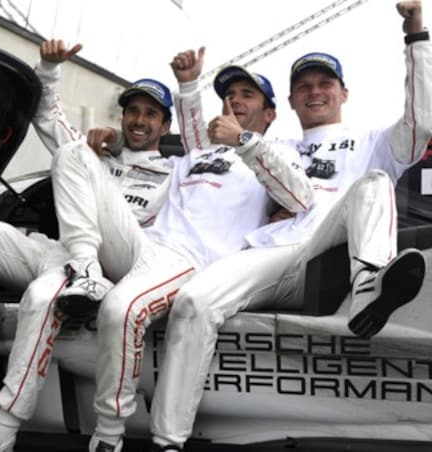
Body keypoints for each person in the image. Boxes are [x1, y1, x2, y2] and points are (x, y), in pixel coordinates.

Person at [149, 2, 432, 451]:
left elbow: (422, 121)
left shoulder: (373, 141)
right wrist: (189, 90)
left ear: (344, 93)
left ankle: (369, 287)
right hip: (271, 256)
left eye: (325, 83)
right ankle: (167, 442)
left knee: (373, 184)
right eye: (303, 86)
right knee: (192, 302)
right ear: (288, 102)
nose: (314, 92)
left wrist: (415, 34)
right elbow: (201, 152)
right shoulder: (270, 142)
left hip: (334, 256)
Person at [0, 40, 180, 451]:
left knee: (40, 297)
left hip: (121, 266)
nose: (139, 120)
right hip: (68, 255)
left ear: (165, 127)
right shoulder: (95, 154)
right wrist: (49, 68)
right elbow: (48, 116)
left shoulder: (178, 171)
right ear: (122, 116)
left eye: (151, 114)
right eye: (133, 111)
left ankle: (3, 430)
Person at [61, 48, 315, 451]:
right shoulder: (193, 155)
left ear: (269, 114)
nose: (235, 100)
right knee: (73, 152)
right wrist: (110, 146)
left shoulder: (275, 152)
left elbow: (301, 198)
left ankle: (109, 434)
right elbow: (154, 156)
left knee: (119, 309)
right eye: (230, 94)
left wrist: (245, 141)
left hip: (194, 263)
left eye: (247, 94)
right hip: (143, 246)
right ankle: (85, 267)